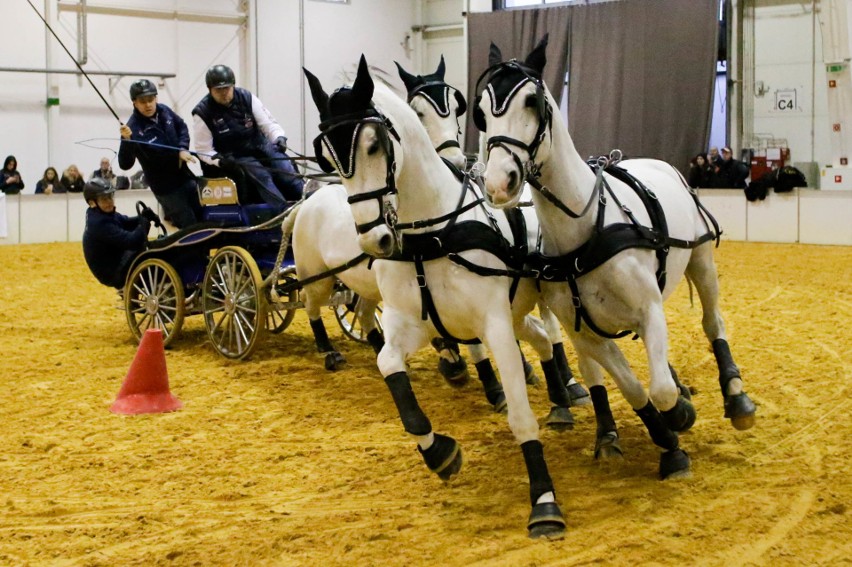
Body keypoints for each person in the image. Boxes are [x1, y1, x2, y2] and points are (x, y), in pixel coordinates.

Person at [192, 64, 303, 208]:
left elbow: (268, 124)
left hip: (261, 145)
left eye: (227, 88)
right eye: (218, 90)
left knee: (285, 168)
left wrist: (279, 137)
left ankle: (309, 202)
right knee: (261, 175)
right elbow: (203, 150)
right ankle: (284, 212)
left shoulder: (247, 97)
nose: (224, 92)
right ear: (210, 90)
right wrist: (220, 161)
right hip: (237, 155)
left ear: (233, 86)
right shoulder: (202, 113)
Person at [118, 79, 201, 228]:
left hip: (186, 177)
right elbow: (125, 164)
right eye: (143, 101)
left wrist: (182, 149)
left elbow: (182, 127)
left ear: (156, 98)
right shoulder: (132, 128)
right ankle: (195, 252)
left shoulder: (164, 111)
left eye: (151, 99)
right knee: (189, 226)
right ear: (134, 103)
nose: (148, 104)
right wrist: (126, 141)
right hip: (167, 189)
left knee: (204, 217)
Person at [81, 177, 150, 289]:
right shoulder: (99, 224)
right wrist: (144, 223)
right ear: (92, 203)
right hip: (113, 272)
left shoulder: (102, 213)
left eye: (110, 197)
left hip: (117, 260)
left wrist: (143, 216)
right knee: (146, 251)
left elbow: (126, 222)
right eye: (104, 199)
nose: (109, 202)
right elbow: (132, 242)